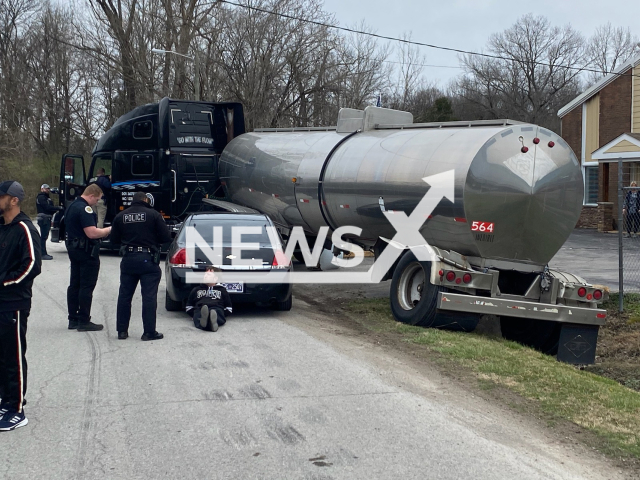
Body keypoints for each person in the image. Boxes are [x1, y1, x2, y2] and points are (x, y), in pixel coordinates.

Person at [0, 181, 41, 431]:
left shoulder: (24, 227)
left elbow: (32, 265)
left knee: (13, 356)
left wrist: (5, 284)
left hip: (13, 303)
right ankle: (5, 400)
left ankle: (17, 409)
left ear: (13, 200)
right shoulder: (2, 227)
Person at [110, 191, 171, 341]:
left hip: (128, 259)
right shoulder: (154, 214)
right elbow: (165, 238)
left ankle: (122, 331)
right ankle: (149, 332)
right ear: (145, 200)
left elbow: (113, 240)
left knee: (124, 296)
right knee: (149, 297)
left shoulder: (121, 216)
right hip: (148, 259)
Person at [65, 184, 111, 331]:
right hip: (86, 251)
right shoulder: (85, 209)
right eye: (96, 200)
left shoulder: (72, 206)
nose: (96, 203)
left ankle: (73, 319)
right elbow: (91, 233)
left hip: (74, 249)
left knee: (75, 284)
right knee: (86, 286)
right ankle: (84, 320)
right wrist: (109, 230)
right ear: (91, 195)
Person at [185, 267, 232, 332]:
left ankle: (211, 321)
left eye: (208, 275)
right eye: (205, 274)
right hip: (201, 309)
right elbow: (188, 307)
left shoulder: (222, 290)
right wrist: (194, 314)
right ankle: (209, 323)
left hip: (216, 308)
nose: (205, 276)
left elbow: (229, 308)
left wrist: (223, 314)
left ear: (215, 278)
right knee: (199, 314)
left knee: (217, 313)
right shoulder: (196, 289)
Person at [36, 184, 63, 260]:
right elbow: (47, 207)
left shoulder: (47, 198)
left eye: (48, 188)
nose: (47, 190)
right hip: (43, 218)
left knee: (44, 236)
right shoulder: (41, 197)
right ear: (42, 189)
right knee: (43, 237)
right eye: (46, 189)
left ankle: (43, 253)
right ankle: (42, 254)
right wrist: (58, 208)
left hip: (47, 218)